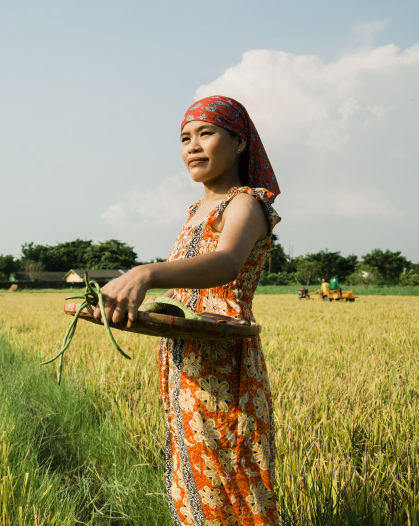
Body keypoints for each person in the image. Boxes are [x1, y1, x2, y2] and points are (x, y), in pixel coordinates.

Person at [95, 95, 281, 525]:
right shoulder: (196, 212)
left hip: (222, 365)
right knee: (193, 479)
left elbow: (228, 262)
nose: (192, 146)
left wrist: (146, 273)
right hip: (185, 364)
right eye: (185, 138)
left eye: (206, 133)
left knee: (230, 477)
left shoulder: (245, 204)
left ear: (239, 143)